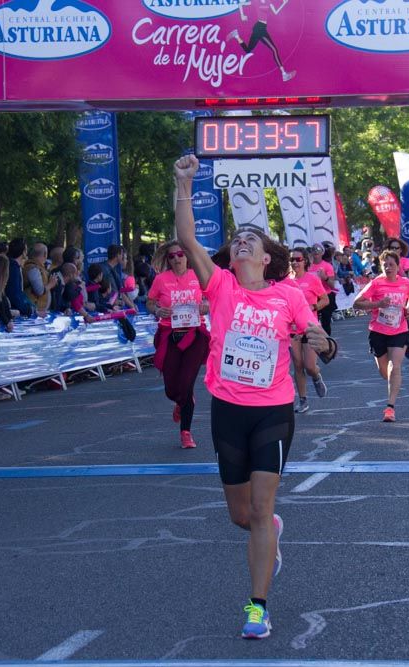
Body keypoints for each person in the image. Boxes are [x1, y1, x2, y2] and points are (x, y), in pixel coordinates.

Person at [173, 153, 328, 640]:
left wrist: (323, 341)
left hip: (274, 412)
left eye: (251, 239)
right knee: (243, 516)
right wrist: (183, 184)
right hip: (228, 412)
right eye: (238, 238)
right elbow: (186, 240)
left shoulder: (289, 295)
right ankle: (271, 531)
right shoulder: (219, 286)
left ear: (266, 258)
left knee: (260, 508)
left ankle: (257, 607)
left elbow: (315, 330)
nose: (241, 241)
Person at [146, 240, 211, 449]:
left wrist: (205, 306)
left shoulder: (198, 276)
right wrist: (157, 311)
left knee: (186, 383)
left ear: (187, 257)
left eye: (180, 255)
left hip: (194, 334)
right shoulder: (161, 280)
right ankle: (180, 400)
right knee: (171, 388)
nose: (176, 259)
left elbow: (211, 299)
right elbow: (149, 302)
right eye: (172, 256)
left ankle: (186, 432)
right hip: (170, 334)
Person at [354, 250, 409, 421]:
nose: (388, 268)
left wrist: (408, 307)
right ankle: (392, 383)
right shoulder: (376, 283)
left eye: (391, 265)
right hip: (378, 331)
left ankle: (390, 407)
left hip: (400, 329)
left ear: (398, 266)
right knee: (385, 372)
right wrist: (378, 304)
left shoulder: (404, 282)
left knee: (395, 366)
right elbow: (357, 303)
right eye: (385, 265)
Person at [285, 247, 329, 413]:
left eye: (298, 259)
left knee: (310, 366)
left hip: (309, 327)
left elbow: (325, 300)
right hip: (293, 329)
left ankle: (316, 376)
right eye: (292, 260)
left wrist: (312, 307)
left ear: (305, 261)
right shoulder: (286, 281)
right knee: (298, 364)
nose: (295, 262)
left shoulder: (312, 279)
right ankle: (303, 400)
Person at [226, 0, 295, 82]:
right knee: (274, 50)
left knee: (248, 50)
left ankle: (236, 35)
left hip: (261, 28)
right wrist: (242, 15)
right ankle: (284, 74)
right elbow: (241, 3)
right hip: (259, 28)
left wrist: (283, 3)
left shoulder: (268, 2)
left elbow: (275, 12)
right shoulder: (256, 1)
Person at [308, 243, 337, 335]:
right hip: (312, 297)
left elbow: (332, 285)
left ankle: (327, 343)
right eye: (314, 250)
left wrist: (325, 278)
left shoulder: (327, 266)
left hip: (325, 296)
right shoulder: (308, 266)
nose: (316, 252)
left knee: (326, 322)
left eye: (318, 250)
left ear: (322, 253)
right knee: (312, 321)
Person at [23, 242, 57, 317]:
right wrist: (50, 284)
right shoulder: (32, 268)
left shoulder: (40, 267)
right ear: (45, 254)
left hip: (40, 312)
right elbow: (39, 291)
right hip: (34, 313)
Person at [5, 238, 34, 317]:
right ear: (23, 252)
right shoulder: (13, 268)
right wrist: (27, 309)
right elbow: (14, 293)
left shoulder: (12, 266)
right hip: (14, 310)